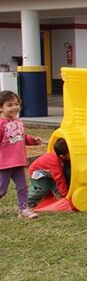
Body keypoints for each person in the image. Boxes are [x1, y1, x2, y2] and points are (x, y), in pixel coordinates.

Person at [0, 90, 41, 219]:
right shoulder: (1, 125)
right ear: (1, 108)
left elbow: (22, 136)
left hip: (18, 161)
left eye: (16, 104)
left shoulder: (18, 122)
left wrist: (33, 141)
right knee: (2, 189)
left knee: (23, 188)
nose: (15, 107)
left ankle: (23, 210)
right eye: (10, 105)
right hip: (4, 163)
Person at [27, 138, 71, 208]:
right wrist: (66, 194)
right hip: (37, 173)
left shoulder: (59, 157)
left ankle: (60, 197)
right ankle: (27, 201)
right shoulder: (55, 162)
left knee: (56, 188)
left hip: (48, 174)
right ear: (62, 156)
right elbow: (59, 178)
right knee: (43, 188)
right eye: (69, 153)